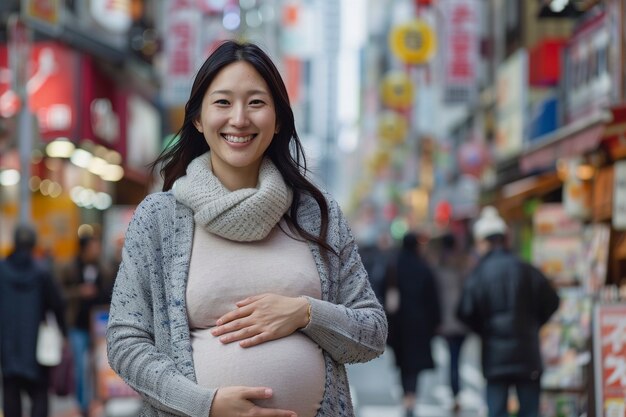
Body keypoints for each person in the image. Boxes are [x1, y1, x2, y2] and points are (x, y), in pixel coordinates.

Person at [106, 40, 387, 417]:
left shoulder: (316, 213)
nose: (239, 119)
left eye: (256, 102)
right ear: (198, 118)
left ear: (278, 120)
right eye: (223, 102)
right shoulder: (159, 217)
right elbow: (126, 341)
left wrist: (306, 313)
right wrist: (205, 405)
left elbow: (372, 332)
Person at [456, 206, 560, 417]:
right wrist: (534, 323)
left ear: (483, 243)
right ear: (506, 240)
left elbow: (464, 311)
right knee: (530, 411)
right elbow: (552, 300)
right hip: (527, 351)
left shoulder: (479, 274)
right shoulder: (526, 269)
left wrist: (484, 329)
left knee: (497, 410)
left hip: (495, 355)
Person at [0, 224, 67, 417]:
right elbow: (58, 304)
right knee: (39, 396)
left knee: (11, 396)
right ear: (33, 244)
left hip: (7, 346)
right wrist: (63, 333)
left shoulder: (2, 270)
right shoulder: (41, 272)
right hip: (37, 347)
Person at [386, 231, 441, 417]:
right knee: (414, 365)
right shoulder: (423, 267)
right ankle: (411, 396)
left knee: (402, 362)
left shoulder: (394, 265)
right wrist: (435, 323)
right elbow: (433, 298)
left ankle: (405, 397)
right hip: (420, 323)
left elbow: (384, 291)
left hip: (398, 322)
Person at [60, 234, 110, 416]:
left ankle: (98, 402)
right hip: (77, 326)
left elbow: (110, 294)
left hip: (99, 327)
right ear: (84, 248)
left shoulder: (104, 269)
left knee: (99, 367)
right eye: (93, 246)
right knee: (80, 368)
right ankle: (82, 405)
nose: (96, 250)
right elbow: (60, 294)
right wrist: (79, 292)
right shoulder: (69, 268)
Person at [432, 233, 470, 413]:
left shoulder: (438, 267)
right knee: (457, 358)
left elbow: (434, 297)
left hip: (445, 322)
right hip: (462, 321)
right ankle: (456, 393)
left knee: (452, 359)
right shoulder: (463, 266)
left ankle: (454, 393)